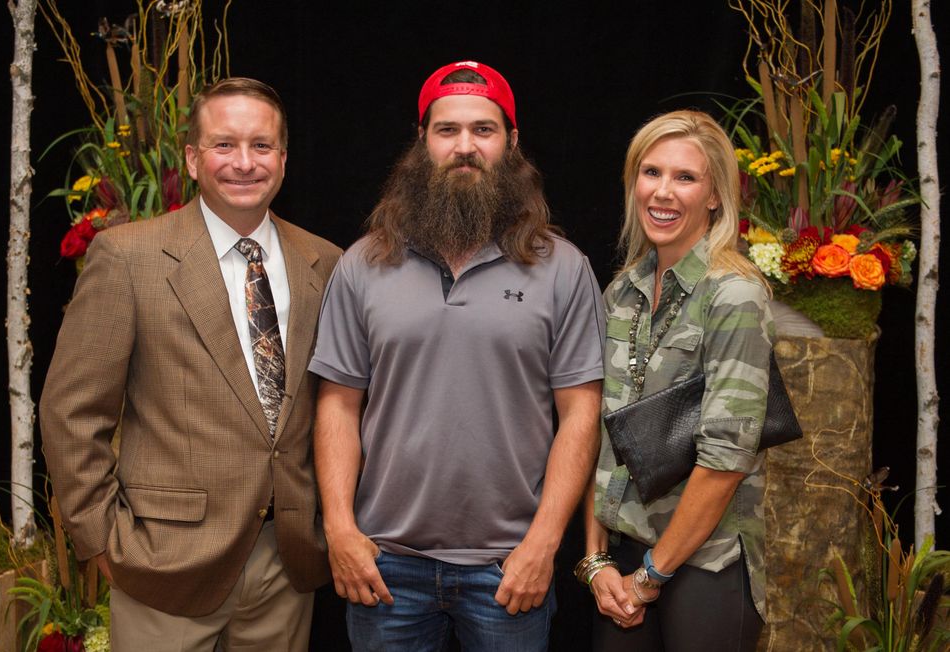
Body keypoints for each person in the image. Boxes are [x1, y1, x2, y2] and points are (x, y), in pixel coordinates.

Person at [308, 60, 605, 651]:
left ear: (511, 143)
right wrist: (340, 530)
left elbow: (581, 414)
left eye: (483, 130)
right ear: (422, 143)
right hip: (385, 569)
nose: (464, 146)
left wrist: (544, 543)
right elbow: (338, 405)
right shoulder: (364, 264)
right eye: (447, 130)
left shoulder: (562, 268)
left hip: (508, 570)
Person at [40, 77, 341, 652]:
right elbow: (71, 411)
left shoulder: (325, 261)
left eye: (261, 145)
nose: (244, 162)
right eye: (224, 145)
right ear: (193, 159)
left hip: (288, 563)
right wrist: (102, 542)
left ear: (283, 157)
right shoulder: (128, 256)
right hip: (163, 562)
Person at [581, 110, 772, 651]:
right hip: (622, 560)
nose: (662, 192)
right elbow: (600, 438)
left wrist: (648, 579)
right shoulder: (621, 292)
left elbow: (726, 459)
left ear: (715, 196)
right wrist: (596, 563)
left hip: (705, 564)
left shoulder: (733, 295)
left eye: (685, 178)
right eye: (651, 172)